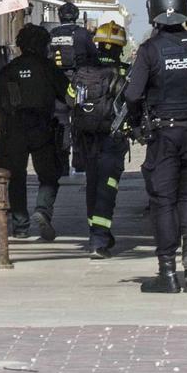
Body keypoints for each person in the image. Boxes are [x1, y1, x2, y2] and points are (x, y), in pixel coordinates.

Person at [124, 0, 187, 294]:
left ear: (154, 13)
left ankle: (167, 271)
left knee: (163, 201)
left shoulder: (151, 50)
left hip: (164, 133)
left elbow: (131, 94)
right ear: (186, 10)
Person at [0, 23, 64, 240]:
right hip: (42, 128)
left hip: (14, 130)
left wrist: (9, 115)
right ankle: (43, 210)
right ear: (43, 45)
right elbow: (69, 95)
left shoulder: (10, 69)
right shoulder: (49, 68)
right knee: (49, 175)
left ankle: (20, 226)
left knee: (17, 177)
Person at [72, 20, 133, 258]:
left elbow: (70, 99)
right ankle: (98, 240)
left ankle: (98, 233)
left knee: (93, 185)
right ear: (120, 47)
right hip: (112, 139)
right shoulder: (125, 74)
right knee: (107, 188)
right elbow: (134, 102)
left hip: (86, 139)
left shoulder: (83, 72)